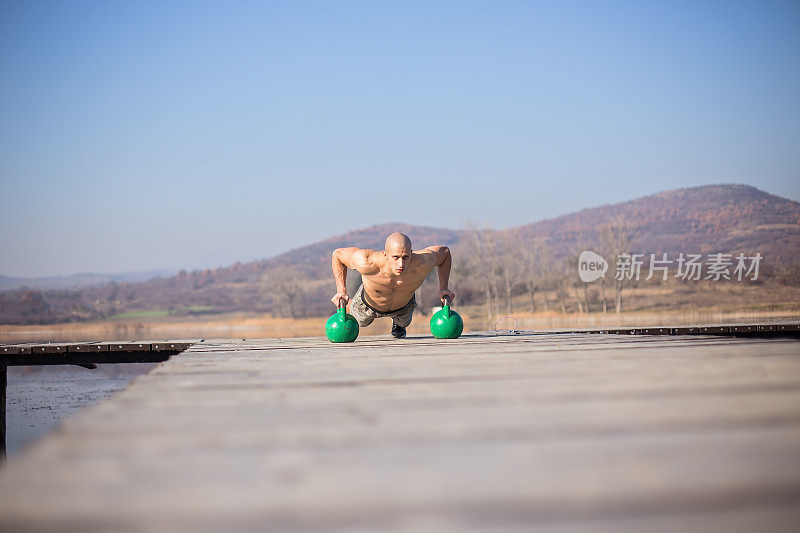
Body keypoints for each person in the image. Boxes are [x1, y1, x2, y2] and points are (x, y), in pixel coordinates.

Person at [330, 232, 455, 338]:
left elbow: (445, 253)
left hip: (403, 307)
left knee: (404, 323)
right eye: (395, 257)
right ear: (385, 254)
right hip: (368, 305)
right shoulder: (366, 261)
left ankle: (398, 323)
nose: (401, 264)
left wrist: (443, 288)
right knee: (362, 322)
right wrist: (341, 291)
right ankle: (349, 307)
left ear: (411, 253)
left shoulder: (423, 261)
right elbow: (338, 255)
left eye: (405, 257)